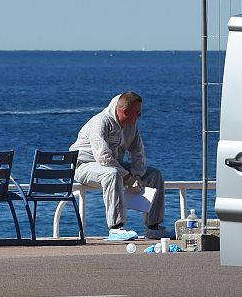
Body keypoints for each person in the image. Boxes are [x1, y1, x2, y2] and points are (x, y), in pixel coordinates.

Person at [70, 91, 168, 240]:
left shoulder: (131, 125)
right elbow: (103, 157)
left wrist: (136, 175)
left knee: (154, 175)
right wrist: (128, 178)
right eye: (137, 112)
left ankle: (153, 228)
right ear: (125, 111)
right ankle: (116, 228)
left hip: (112, 165)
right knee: (112, 174)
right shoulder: (101, 123)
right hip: (84, 166)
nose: (140, 116)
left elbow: (138, 153)